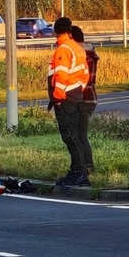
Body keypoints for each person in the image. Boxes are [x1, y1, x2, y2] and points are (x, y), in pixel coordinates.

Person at [48, 17, 90, 187]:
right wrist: (77, 88)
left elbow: (60, 75)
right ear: (70, 30)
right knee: (76, 136)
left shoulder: (62, 50)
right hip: (77, 94)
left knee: (70, 136)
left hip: (65, 98)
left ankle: (80, 172)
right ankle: (76, 171)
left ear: (55, 31)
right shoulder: (77, 48)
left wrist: (58, 98)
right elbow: (85, 74)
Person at [70, 26, 99, 176]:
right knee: (79, 134)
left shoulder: (80, 55)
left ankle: (86, 166)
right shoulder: (91, 52)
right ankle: (82, 166)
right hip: (90, 97)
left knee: (79, 135)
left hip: (81, 98)